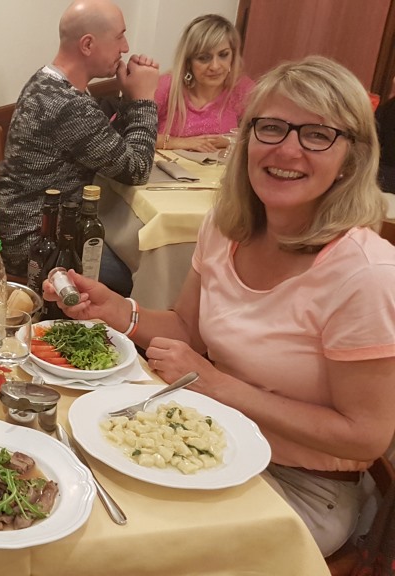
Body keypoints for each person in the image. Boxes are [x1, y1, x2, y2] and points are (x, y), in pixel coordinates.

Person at [45, 56, 395, 556]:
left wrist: (217, 385)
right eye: (271, 128)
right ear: (247, 138)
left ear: (352, 158)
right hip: (204, 437)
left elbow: (365, 436)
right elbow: (188, 328)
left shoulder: (367, 274)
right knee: (72, 488)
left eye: (317, 135)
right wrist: (117, 310)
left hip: (300, 485)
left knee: (122, 548)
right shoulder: (227, 227)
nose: (287, 149)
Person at [0, 0, 159, 295]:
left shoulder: (47, 82)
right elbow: (137, 169)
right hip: (41, 247)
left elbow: (111, 149)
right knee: (142, 271)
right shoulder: (68, 104)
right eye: (119, 36)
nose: (125, 47)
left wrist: (128, 97)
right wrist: (144, 99)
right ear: (88, 45)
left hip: (35, 232)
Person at [154, 14, 254, 152]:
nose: (215, 66)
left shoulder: (243, 89)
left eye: (223, 55)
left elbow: (263, 135)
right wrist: (181, 142)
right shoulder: (167, 86)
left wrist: (228, 140)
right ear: (188, 62)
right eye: (203, 58)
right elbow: (130, 135)